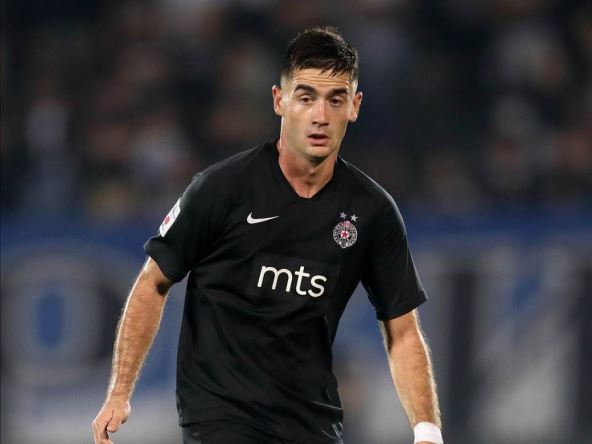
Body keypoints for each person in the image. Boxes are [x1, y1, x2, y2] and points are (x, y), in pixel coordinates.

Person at [92, 26, 443, 444]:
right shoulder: (222, 188)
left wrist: (427, 430)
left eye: (335, 100)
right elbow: (154, 281)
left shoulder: (372, 211)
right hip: (221, 419)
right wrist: (120, 392)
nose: (320, 115)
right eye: (306, 97)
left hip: (313, 425)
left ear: (355, 106)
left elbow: (402, 330)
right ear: (280, 100)